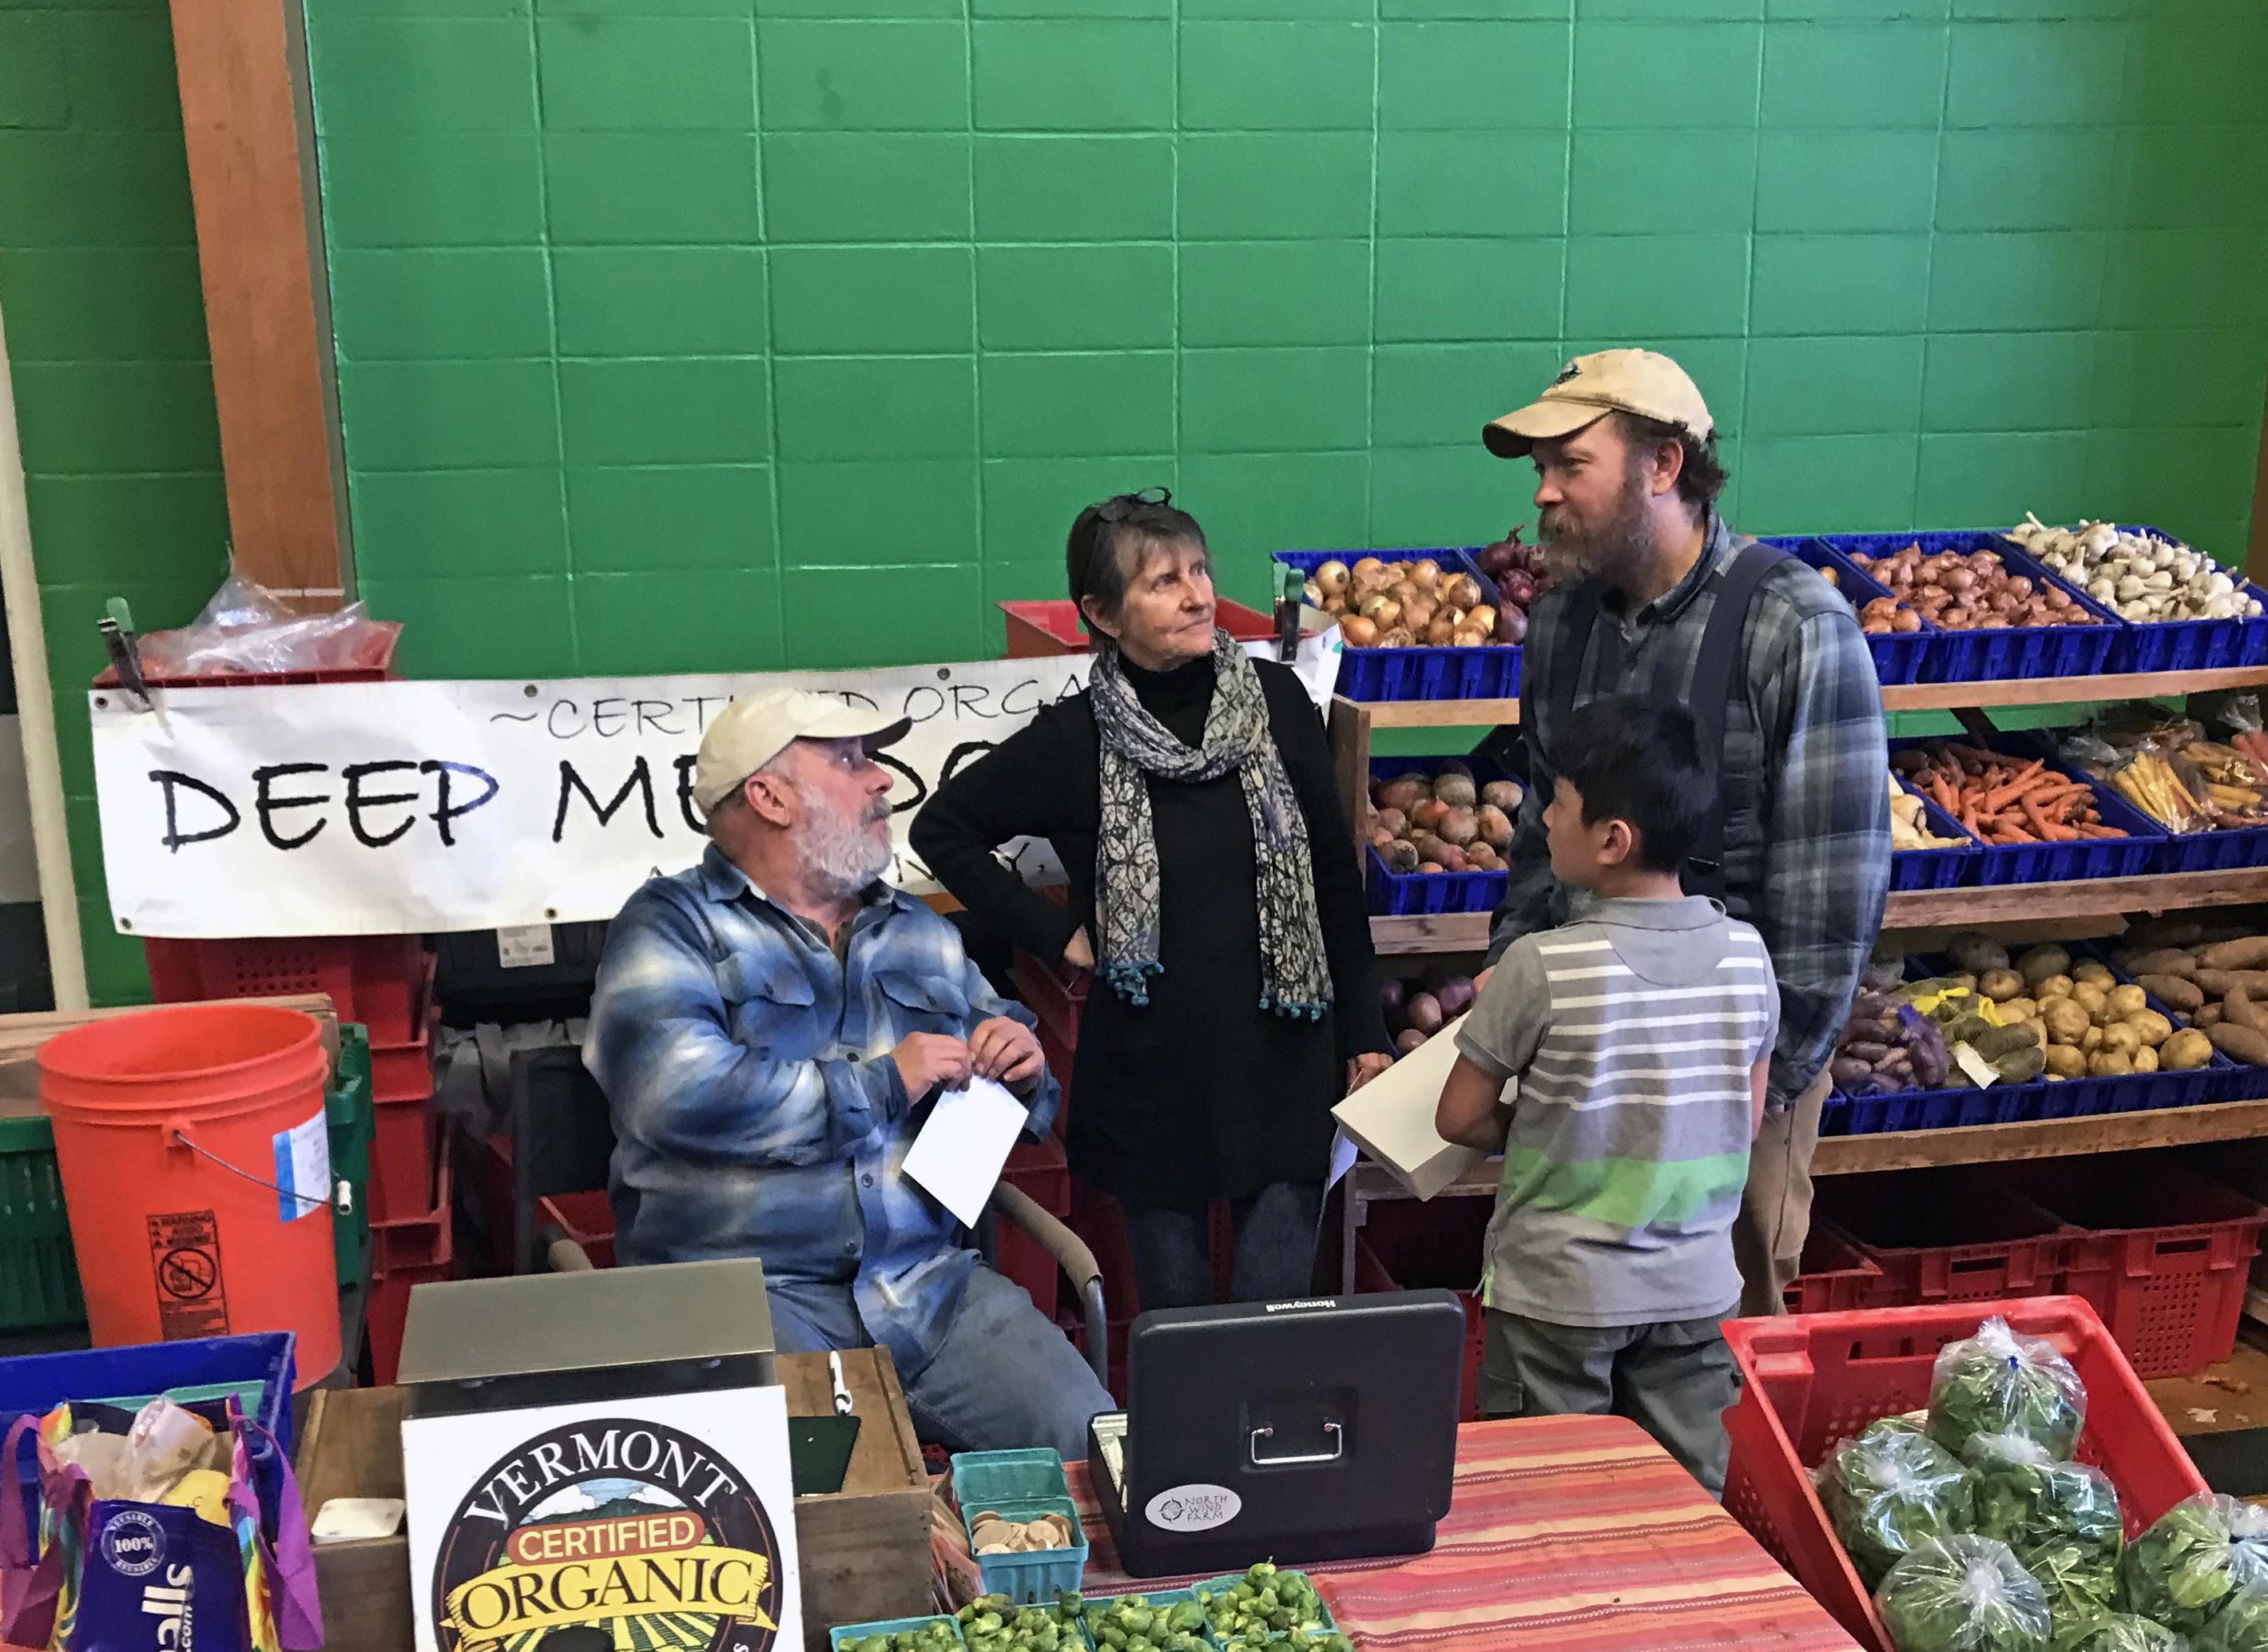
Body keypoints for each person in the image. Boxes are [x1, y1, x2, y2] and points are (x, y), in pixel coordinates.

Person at [585, 687, 1116, 1456]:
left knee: (1104, 1453)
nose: (882, 780)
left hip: (927, 1290)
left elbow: (1011, 1077)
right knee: (837, 1509)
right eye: (848, 760)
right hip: (745, 1297)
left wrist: (1022, 1068)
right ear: (767, 797)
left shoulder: (919, 932)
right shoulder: (672, 927)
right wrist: (880, 1083)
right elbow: (672, 1097)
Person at [1478, 350, 1886, 1316]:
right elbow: (1545, 827)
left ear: (1663, 466)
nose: (1543, 493)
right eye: (1540, 468)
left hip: (1729, 1070)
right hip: (1584, 1056)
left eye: (1570, 465)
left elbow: (1835, 880)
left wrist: (1766, 1087)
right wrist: (1509, 977)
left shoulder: (1793, 626)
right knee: (1575, 1316)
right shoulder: (1560, 625)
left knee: (1720, 1335)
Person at [912, 491, 1389, 1313]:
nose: (1199, 594)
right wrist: (1057, 933)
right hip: (1151, 1079)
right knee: (1177, 1328)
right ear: (1101, 612)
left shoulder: (1277, 704)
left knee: (1270, 1324)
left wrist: (1368, 1033)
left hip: (1283, 1069)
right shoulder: (1075, 741)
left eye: (1200, 570)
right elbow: (942, 828)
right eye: (1165, 581)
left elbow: (1332, 879)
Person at [1432, 701, 1777, 1491]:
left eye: (1557, 803)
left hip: (1560, 1293)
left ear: (1612, 840)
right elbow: (1746, 1118)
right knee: (1681, 1502)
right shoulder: (1748, 958)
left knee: (1548, 1497)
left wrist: (1540, 1118)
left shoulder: (1539, 966)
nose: (1544, 819)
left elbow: (1458, 1116)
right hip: (1695, 1287)